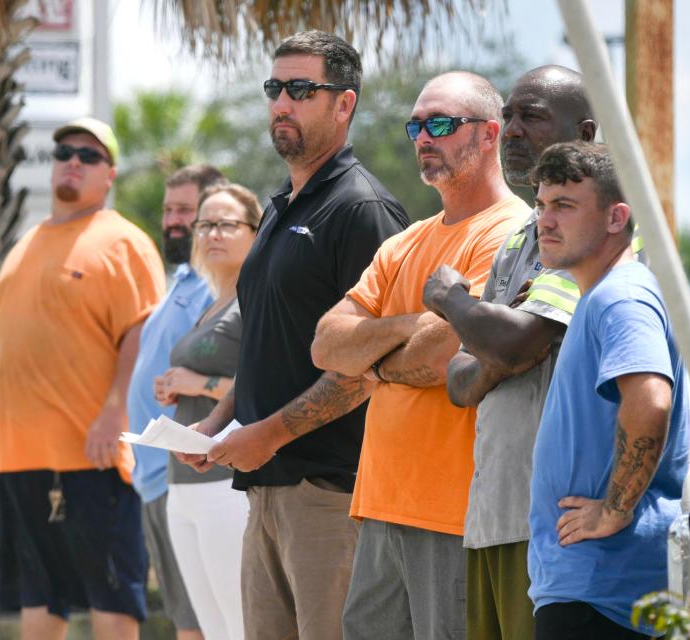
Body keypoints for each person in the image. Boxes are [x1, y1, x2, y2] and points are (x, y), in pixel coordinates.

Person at [178, 30, 409, 640]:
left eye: (301, 89)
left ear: (344, 104)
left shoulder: (362, 210)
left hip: (331, 495)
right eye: (275, 88)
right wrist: (216, 425)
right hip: (265, 490)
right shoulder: (280, 206)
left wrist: (268, 435)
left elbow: (370, 367)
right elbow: (264, 345)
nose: (282, 102)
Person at [311, 71, 528, 638]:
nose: (422, 139)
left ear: (488, 135)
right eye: (416, 126)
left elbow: (443, 356)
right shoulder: (403, 242)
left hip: (454, 509)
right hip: (382, 502)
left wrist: (374, 357)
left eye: (440, 124)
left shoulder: (512, 232)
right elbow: (327, 343)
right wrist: (413, 323)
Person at [0, 117, 166, 640]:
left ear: (109, 175)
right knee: (38, 599)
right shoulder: (25, 243)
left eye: (89, 155)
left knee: (112, 598)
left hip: (90, 454)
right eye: (64, 151)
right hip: (17, 453)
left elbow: (141, 332)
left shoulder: (123, 241)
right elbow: (5, 338)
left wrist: (115, 410)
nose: (73, 160)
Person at [421, 65, 598, 640]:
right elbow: (459, 380)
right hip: (494, 516)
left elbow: (519, 340)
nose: (514, 129)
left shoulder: (599, 227)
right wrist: (499, 338)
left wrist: (453, 301)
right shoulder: (525, 237)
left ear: (585, 131)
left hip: (559, 520)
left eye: (533, 116)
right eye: (510, 116)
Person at [527, 141, 689, 639]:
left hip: (602, 596)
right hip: (594, 590)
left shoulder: (621, 296)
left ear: (617, 217)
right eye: (540, 204)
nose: (544, 221)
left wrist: (615, 509)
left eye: (564, 206)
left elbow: (650, 399)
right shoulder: (603, 296)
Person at [154, 184, 262, 640]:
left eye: (227, 224)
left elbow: (264, 382)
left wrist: (196, 383)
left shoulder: (254, 300)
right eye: (205, 224)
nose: (213, 233)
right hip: (182, 486)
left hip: (225, 483)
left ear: (256, 233)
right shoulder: (210, 304)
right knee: (212, 631)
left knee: (240, 626)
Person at [128, 164, 227, 640]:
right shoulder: (181, 281)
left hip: (192, 471)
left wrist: (192, 384)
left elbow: (235, 375)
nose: (172, 220)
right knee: (187, 624)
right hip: (155, 478)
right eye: (169, 209)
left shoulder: (215, 286)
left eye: (185, 210)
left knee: (204, 626)